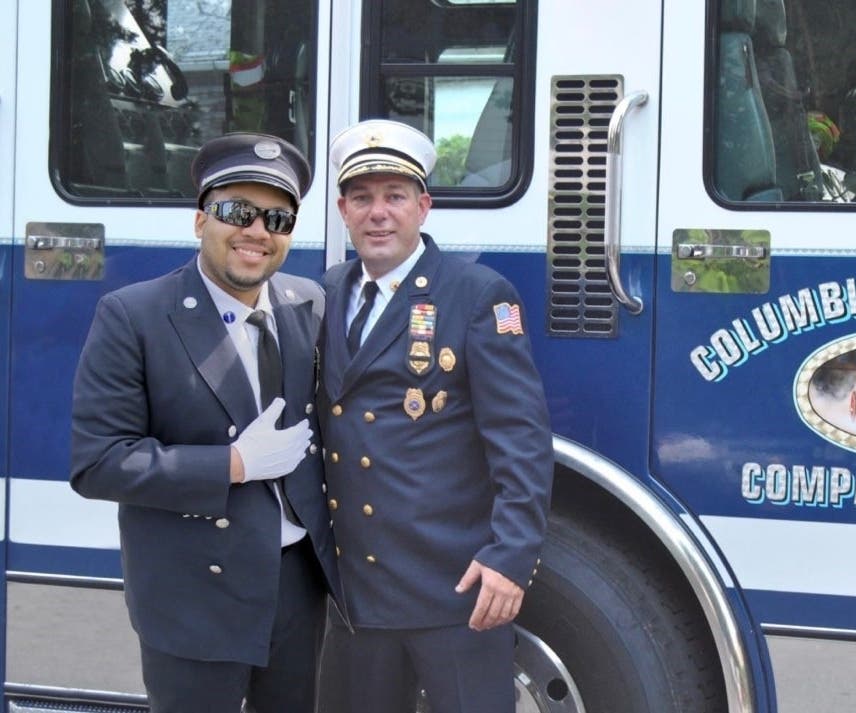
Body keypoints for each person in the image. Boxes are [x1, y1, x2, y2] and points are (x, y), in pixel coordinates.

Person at [70, 132, 345, 713]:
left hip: (296, 587)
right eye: (237, 212)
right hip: (194, 592)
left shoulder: (309, 304)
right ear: (201, 221)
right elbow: (98, 463)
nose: (257, 231)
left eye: (277, 218)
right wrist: (233, 464)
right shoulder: (135, 315)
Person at [316, 118, 554, 713]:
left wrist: (511, 558)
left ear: (423, 207)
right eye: (362, 198)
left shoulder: (476, 295)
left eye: (395, 197)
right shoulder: (325, 293)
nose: (378, 214)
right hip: (356, 593)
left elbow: (520, 438)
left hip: (452, 589)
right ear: (343, 211)